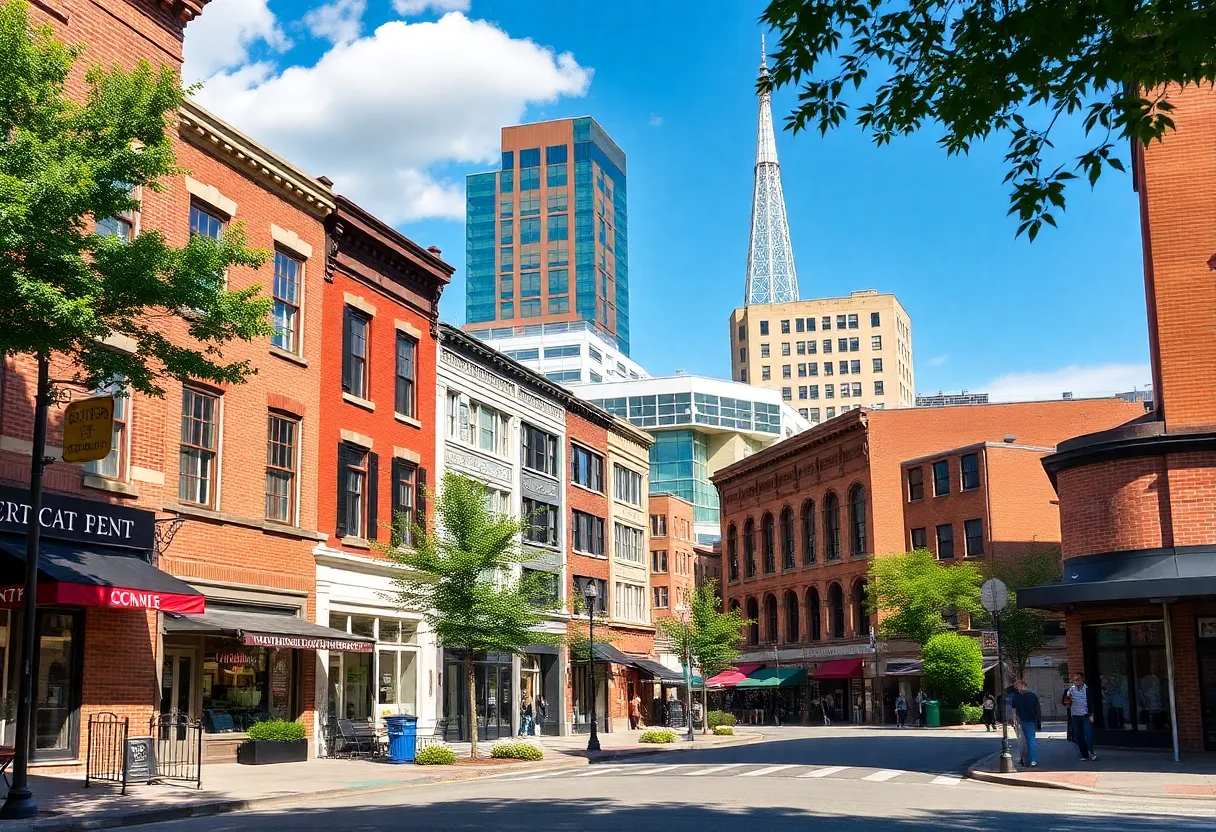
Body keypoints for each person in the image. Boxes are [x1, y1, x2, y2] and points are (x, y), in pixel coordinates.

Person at [1011, 679, 1042, 767]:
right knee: (1031, 740)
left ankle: (1024, 759)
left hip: (1021, 719)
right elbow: (1038, 709)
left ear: (1020, 685)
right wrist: (1039, 721)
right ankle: (1032, 759)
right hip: (1031, 719)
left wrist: (1014, 719)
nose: (1016, 688)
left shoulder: (1016, 696)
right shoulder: (1033, 695)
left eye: (1016, 686)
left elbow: (1014, 709)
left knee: (1022, 741)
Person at [1067, 673, 1097, 761]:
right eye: (1075, 679)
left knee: (1089, 734)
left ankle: (1091, 751)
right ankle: (1084, 754)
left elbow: (1092, 702)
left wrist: (1092, 714)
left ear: (1082, 680)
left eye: (1078, 679)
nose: (1076, 681)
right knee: (1079, 736)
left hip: (1086, 715)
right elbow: (1066, 703)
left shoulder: (1087, 689)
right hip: (1075, 716)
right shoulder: (1071, 690)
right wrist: (1068, 700)